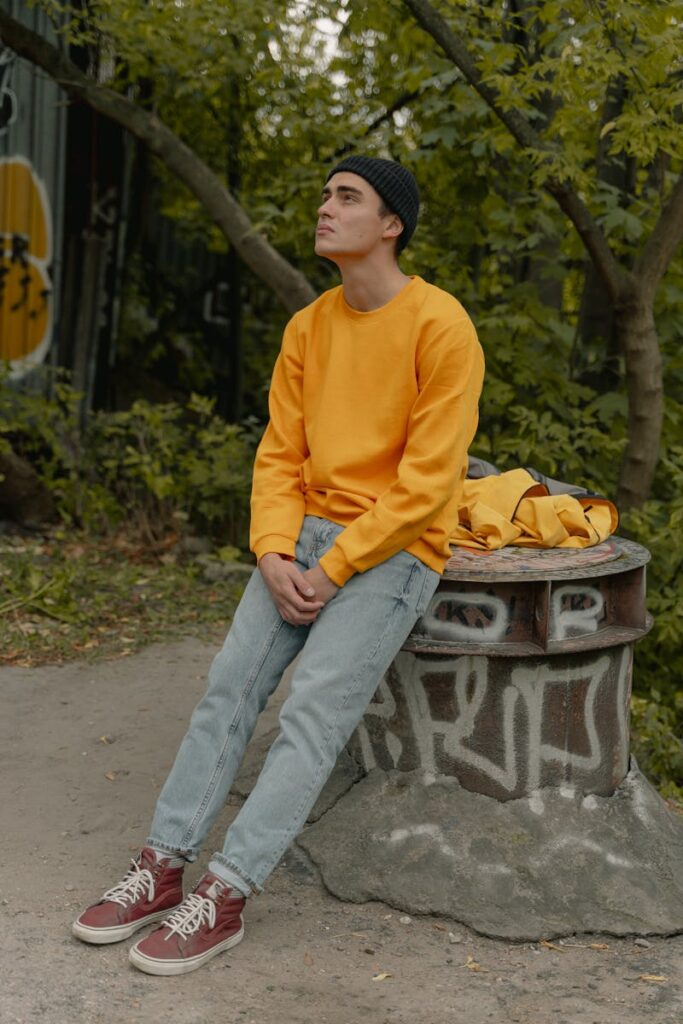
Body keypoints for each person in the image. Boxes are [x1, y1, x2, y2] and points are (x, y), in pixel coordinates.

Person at [72, 155, 485, 976]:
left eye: (346, 197)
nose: (324, 207)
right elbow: (278, 455)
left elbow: (428, 482)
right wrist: (271, 549)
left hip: (393, 552)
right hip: (298, 541)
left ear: (390, 223)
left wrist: (337, 569)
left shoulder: (441, 325)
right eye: (325, 193)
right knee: (230, 686)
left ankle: (224, 895)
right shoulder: (309, 327)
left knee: (312, 714)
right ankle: (163, 863)